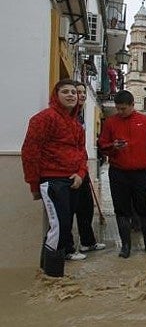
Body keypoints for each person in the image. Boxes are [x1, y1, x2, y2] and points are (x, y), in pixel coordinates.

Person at [21, 79, 88, 276]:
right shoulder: (43, 119)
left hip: (73, 181)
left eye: (74, 93)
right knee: (58, 228)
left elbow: (81, 153)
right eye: (65, 92)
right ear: (56, 96)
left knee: (64, 227)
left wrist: (81, 174)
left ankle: (48, 273)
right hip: (52, 181)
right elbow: (30, 152)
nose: (70, 95)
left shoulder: (77, 125)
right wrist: (34, 184)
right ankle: (53, 277)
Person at [98, 90, 146, 258]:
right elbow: (102, 145)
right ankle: (125, 245)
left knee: (144, 209)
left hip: (142, 173)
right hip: (118, 173)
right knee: (121, 210)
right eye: (118, 108)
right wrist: (113, 146)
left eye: (123, 108)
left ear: (133, 105)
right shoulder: (111, 123)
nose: (120, 112)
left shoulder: (145, 122)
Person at [65, 82, 105, 258]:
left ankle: (88, 242)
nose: (80, 95)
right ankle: (67, 248)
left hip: (81, 168)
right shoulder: (67, 116)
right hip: (67, 170)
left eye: (81, 92)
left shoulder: (79, 116)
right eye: (77, 92)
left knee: (86, 207)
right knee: (66, 212)